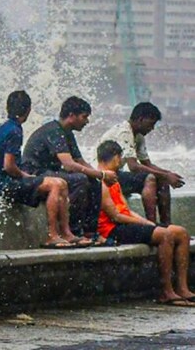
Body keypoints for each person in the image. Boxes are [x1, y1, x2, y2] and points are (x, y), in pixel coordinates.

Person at [96, 140, 195, 306]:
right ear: (115, 157)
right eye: (119, 158)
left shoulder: (114, 180)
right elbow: (115, 216)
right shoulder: (101, 182)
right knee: (165, 235)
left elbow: (126, 210)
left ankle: (183, 288)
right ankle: (166, 291)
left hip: (125, 224)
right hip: (113, 230)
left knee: (181, 233)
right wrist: (144, 224)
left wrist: (147, 222)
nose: (120, 163)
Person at [0, 91, 85, 248]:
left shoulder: (1, 127)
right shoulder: (15, 131)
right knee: (56, 185)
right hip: (2, 186)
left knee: (62, 183)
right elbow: (9, 166)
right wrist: (26, 176)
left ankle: (66, 233)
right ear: (28, 110)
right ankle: (52, 235)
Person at [21, 97, 117, 245]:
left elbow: (80, 161)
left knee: (94, 182)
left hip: (50, 172)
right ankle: (73, 231)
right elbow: (69, 165)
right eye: (84, 117)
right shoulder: (54, 130)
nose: (87, 122)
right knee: (80, 180)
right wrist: (102, 174)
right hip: (35, 174)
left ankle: (90, 233)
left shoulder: (67, 133)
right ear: (72, 115)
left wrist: (101, 175)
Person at [99, 102, 185, 225]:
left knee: (162, 180)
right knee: (150, 178)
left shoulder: (138, 136)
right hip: (103, 176)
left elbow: (147, 164)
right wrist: (165, 175)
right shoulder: (124, 132)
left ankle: (166, 225)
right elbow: (133, 167)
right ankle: (152, 225)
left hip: (117, 174)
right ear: (140, 119)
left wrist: (168, 174)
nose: (152, 128)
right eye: (151, 124)